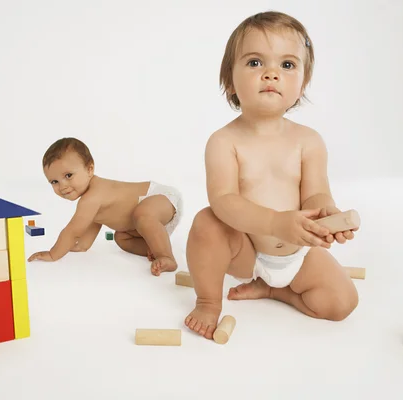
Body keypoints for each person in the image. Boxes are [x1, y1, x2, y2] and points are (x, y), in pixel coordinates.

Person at [184, 11, 360, 340]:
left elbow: (316, 192)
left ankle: (277, 291)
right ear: (229, 80)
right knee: (206, 223)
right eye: (254, 63)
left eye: (287, 65)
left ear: (302, 83)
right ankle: (208, 301)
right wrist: (276, 222)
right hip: (246, 251)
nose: (270, 74)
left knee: (342, 303)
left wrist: (326, 215)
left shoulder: (309, 141)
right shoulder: (224, 141)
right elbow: (224, 201)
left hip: (298, 253)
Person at [27, 137, 183, 276]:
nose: (62, 186)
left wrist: (53, 254)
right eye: (54, 182)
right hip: (146, 224)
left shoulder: (92, 197)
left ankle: (166, 257)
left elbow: (73, 231)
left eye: (68, 176)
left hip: (161, 198)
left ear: (90, 169)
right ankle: (154, 248)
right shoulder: (91, 202)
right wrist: (80, 246)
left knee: (142, 215)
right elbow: (88, 233)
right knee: (121, 238)